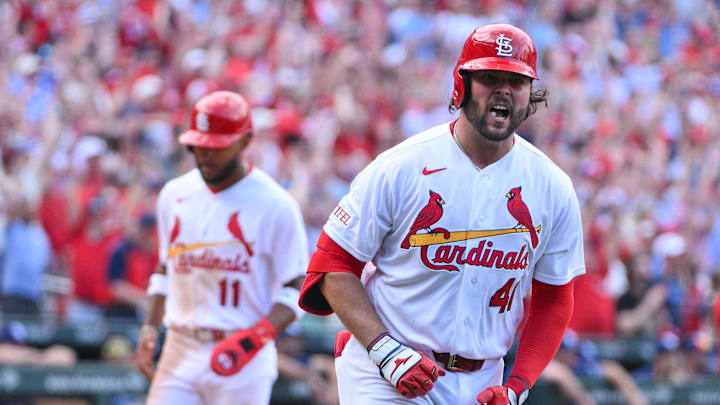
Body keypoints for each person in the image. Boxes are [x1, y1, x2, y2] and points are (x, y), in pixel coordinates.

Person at [299, 23, 585, 405]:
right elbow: (333, 264)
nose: (503, 89)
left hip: (482, 377)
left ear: (530, 93)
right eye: (488, 77)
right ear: (461, 85)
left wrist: (518, 386)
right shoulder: (402, 166)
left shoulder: (552, 186)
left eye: (515, 81)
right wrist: (384, 350)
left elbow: (554, 298)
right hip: (385, 366)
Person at [135, 91, 309, 405]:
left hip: (243, 354)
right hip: (180, 346)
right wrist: (150, 327)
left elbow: (297, 289)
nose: (205, 156)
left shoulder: (276, 205)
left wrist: (256, 338)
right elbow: (165, 268)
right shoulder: (174, 195)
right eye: (197, 146)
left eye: (216, 147)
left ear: (244, 142)